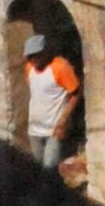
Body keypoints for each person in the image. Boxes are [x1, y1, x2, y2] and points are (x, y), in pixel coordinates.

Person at [23, 34, 79, 173]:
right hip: (34, 128)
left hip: (54, 130)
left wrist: (63, 122)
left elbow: (75, 94)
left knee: (49, 170)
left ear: (45, 52)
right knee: (38, 168)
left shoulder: (60, 67)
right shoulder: (29, 67)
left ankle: (53, 193)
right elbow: (34, 88)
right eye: (30, 56)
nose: (33, 59)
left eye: (36, 55)